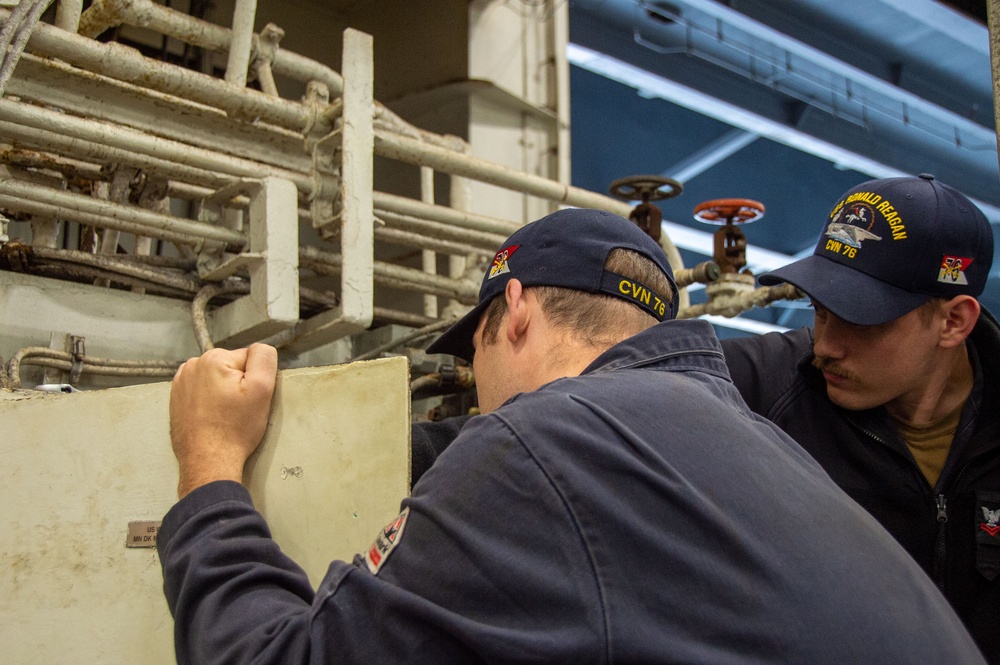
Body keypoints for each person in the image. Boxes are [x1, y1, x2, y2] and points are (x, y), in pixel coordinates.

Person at [159, 208, 985, 664]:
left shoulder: (539, 443)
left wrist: (208, 467)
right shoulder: (751, 438)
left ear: (512, 310)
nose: (477, 400)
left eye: (472, 346)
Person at [723, 173, 1000, 662]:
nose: (825, 346)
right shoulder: (773, 384)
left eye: (860, 318)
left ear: (954, 321)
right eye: (820, 310)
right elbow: (635, 376)